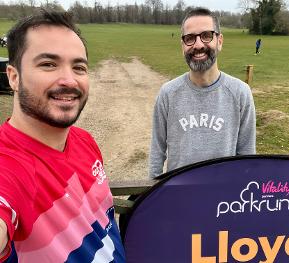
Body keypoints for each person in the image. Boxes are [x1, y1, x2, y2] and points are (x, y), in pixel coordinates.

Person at [0, 10, 125, 262]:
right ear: (13, 77)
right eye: (48, 64)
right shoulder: (9, 164)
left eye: (79, 67)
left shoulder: (84, 140)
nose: (69, 80)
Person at [149, 8, 256, 178]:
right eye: (190, 38)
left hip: (223, 199)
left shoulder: (240, 94)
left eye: (206, 35)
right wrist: (152, 195)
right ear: (182, 45)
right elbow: (157, 152)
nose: (198, 45)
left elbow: (247, 157)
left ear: (219, 41)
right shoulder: (168, 93)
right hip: (178, 195)